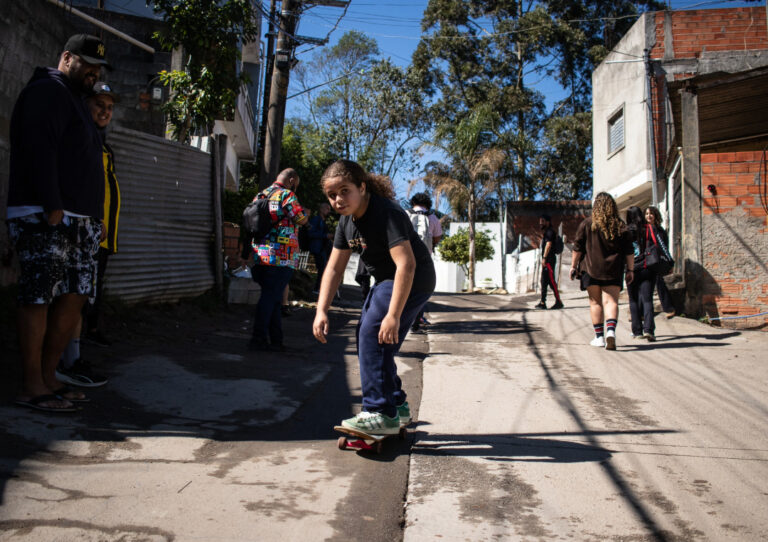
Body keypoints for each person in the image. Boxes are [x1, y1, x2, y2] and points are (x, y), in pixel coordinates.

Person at [6, 34, 111, 411]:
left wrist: (93, 217)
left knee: (75, 295)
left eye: (98, 68)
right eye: (87, 65)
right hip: (46, 214)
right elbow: (39, 150)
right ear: (67, 58)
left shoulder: (75, 101)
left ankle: (50, 376)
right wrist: (52, 205)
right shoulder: (47, 91)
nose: (93, 73)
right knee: (38, 296)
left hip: (80, 221)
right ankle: (31, 384)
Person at [313, 160, 435, 434]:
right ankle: (396, 404)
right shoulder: (346, 222)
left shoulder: (386, 213)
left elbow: (407, 265)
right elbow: (334, 267)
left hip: (413, 278)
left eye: (345, 191)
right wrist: (322, 310)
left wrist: (392, 315)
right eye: (332, 195)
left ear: (362, 187)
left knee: (374, 335)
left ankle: (379, 411)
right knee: (369, 337)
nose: (338, 200)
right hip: (386, 280)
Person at [56, 81, 120, 388]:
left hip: (96, 235)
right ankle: (59, 362)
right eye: (99, 106)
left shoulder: (100, 144)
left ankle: (71, 359)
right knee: (69, 298)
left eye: (109, 108)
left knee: (81, 298)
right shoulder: (79, 138)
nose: (105, 112)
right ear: (85, 105)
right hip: (77, 230)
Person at [247, 168, 307, 351]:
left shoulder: (260, 195)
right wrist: (306, 216)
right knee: (269, 297)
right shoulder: (287, 195)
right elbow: (300, 218)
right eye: (295, 185)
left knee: (272, 298)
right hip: (281, 256)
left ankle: (276, 340)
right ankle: (257, 339)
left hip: (260, 255)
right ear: (291, 180)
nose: (295, 188)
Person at [570, 193, 634, 351]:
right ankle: (610, 331)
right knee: (611, 301)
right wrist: (630, 269)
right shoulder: (620, 225)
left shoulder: (587, 224)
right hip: (614, 270)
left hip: (591, 270)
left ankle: (599, 337)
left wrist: (573, 266)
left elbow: (577, 248)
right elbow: (629, 251)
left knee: (595, 302)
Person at [406, 192, 442, 331]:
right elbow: (437, 237)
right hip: (424, 260)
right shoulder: (433, 218)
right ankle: (416, 322)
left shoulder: (405, 214)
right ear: (428, 204)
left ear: (413, 203)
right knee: (420, 291)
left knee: (405, 289)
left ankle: (403, 320)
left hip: (405, 257)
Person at [626, 206, 657, 341]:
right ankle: (649, 330)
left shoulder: (625, 232)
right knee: (647, 299)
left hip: (631, 269)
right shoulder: (649, 229)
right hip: (647, 267)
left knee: (633, 300)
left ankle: (637, 331)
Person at [646, 206, 675, 319]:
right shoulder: (643, 229)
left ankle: (669, 308)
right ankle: (643, 313)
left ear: (655, 216)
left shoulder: (659, 230)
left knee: (660, 283)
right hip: (645, 261)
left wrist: (670, 262)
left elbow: (664, 247)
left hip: (656, 262)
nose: (649, 216)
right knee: (645, 287)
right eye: (647, 213)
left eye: (651, 213)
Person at [534, 214, 564, 310]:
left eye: (542, 221)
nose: (540, 223)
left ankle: (558, 302)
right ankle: (543, 302)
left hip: (549, 260)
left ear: (548, 222)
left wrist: (544, 258)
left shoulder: (550, 232)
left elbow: (549, 244)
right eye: (540, 221)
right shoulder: (547, 232)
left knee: (551, 281)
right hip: (547, 260)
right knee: (544, 281)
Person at [308, 201, 333, 293]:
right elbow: (310, 234)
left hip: (322, 248)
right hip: (317, 248)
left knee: (323, 268)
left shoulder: (322, 221)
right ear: (321, 209)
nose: (329, 211)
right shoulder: (316, 220)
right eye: (327, 209)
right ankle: (317, 288)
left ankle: (319, 287)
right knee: (321, 268)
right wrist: (325, 236)